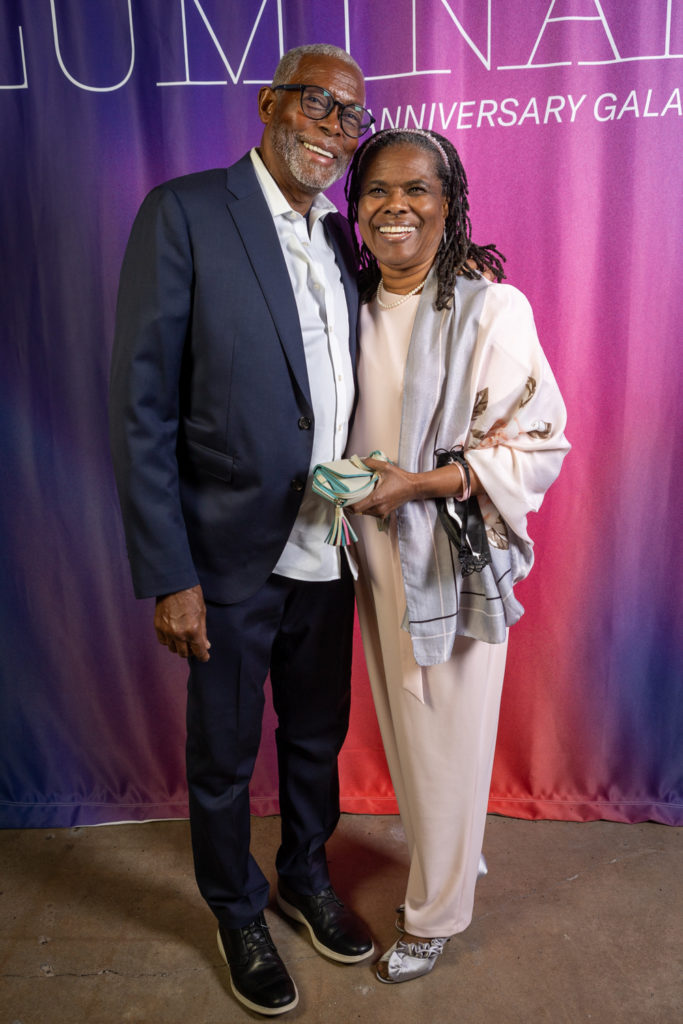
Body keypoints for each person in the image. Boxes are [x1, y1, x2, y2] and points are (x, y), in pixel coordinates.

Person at [109, 44, 376, 1017]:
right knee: (223, 754)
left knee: (316, 736)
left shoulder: (339, 234)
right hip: (226, 553)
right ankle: (236, 910)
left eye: (350, 117)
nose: (334, 131)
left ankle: (303, 875)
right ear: (269, 103)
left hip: (329, 546)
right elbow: (141, 405)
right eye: (317, 105)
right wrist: (168, 571)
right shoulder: (184, 213)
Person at [344, 128, 570, 984]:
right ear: (355, 205)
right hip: (368, 553)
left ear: (450, 203)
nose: (395, 206)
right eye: (376, 190)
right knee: (410, 734)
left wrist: (419, 485)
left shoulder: (489, 307)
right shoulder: (353, 303)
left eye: (417, 190)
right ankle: (452, 849)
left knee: (442, 739)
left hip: (447, 556)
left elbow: (536, 444)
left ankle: (434, 915)